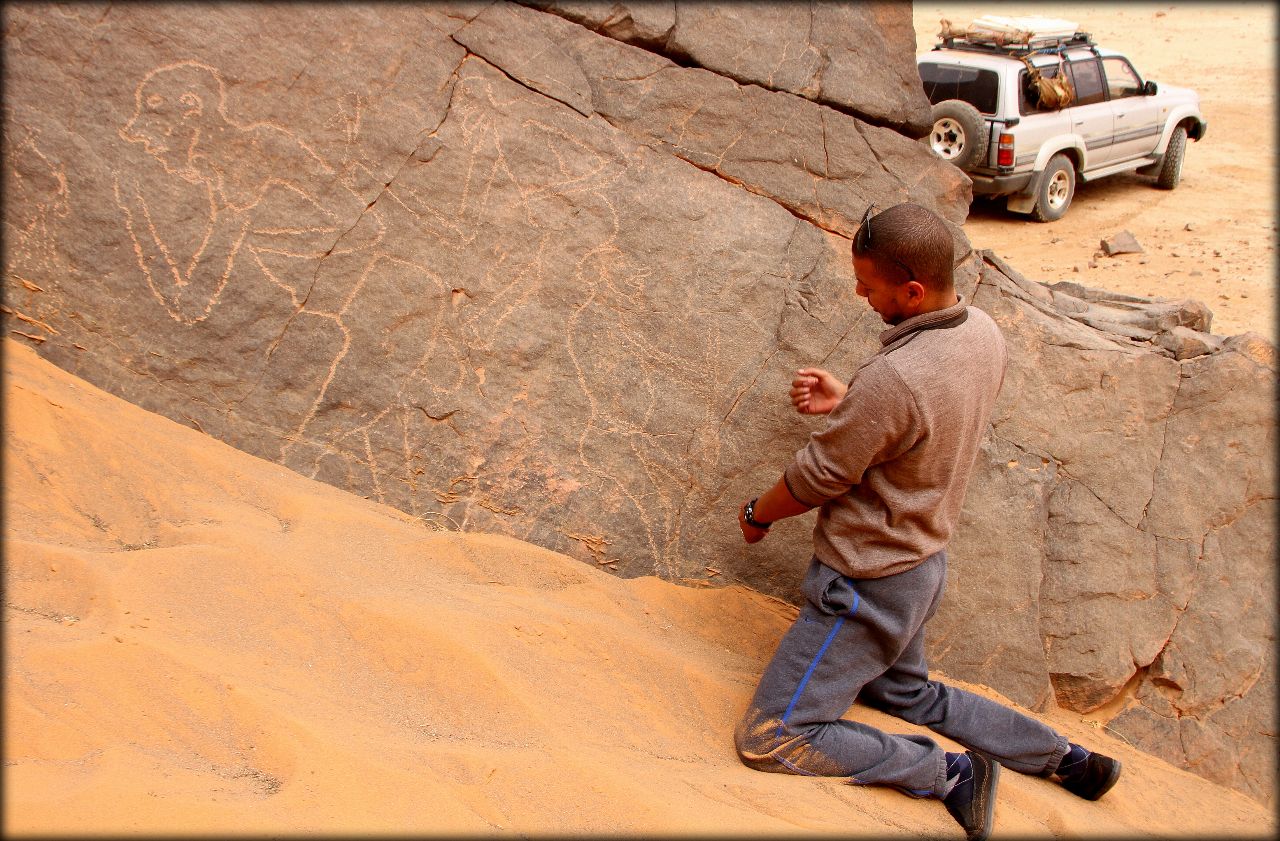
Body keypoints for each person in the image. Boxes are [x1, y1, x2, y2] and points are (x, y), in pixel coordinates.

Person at [732, 202, 1120, 840]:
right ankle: (1066, 759)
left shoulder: (895, 379)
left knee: (774, 736)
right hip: (921, 567)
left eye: (869, 284)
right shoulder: (982, 333)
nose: (859, 294)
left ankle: (948, 772)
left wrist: (756, 515)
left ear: (912, 291)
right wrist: (854, 406)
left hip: (865, 584)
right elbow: (920, 421)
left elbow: (817, 478)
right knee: (907, 695)